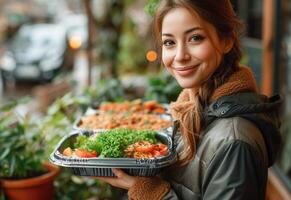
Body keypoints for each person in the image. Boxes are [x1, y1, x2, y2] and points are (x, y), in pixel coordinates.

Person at [96, 0, 282, 199]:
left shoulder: (234, 142)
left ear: (226, 41)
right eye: (169, 42)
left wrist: (151, 193)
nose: (180, 56)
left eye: (195, 38)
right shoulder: (188, 109)